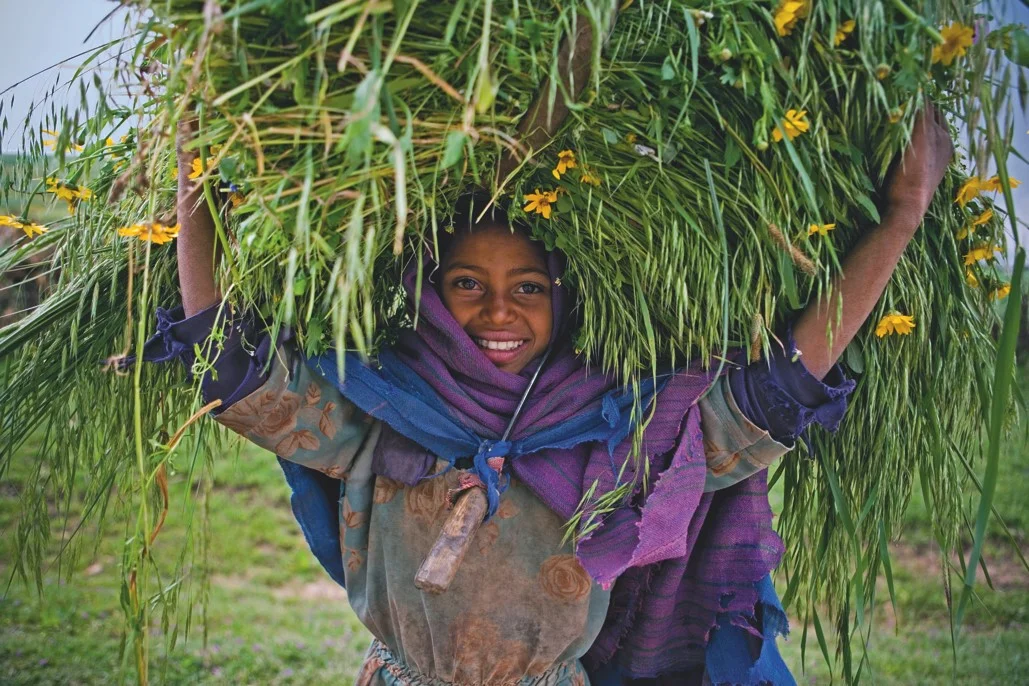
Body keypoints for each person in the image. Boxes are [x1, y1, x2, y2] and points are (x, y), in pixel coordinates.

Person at [139, 106, 953, 685]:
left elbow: (779, 386)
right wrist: (196, 180)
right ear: (428, 294)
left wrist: (900, 216)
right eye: (466, 284)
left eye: (527, 286)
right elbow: (229, 362)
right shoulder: (379, 419)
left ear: (563, 300)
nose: (498, 311)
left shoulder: (627, 440)